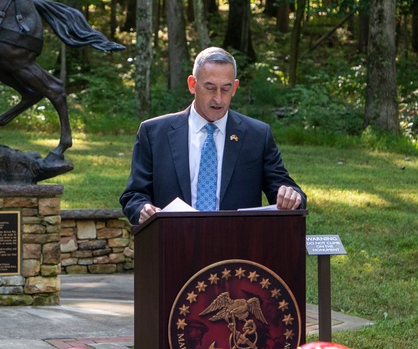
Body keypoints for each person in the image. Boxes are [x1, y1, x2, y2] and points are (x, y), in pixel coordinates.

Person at [120, 47, 305, 225]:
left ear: (235, 88)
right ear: (192, 85)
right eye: (210, 88)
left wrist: (291, 195)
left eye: (225, 89)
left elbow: (286, 190)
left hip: (237, 248)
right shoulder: (153, 133)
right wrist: (143, 209)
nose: (218, 98)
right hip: (173, 244)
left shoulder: (257, 135)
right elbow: (133, 196)